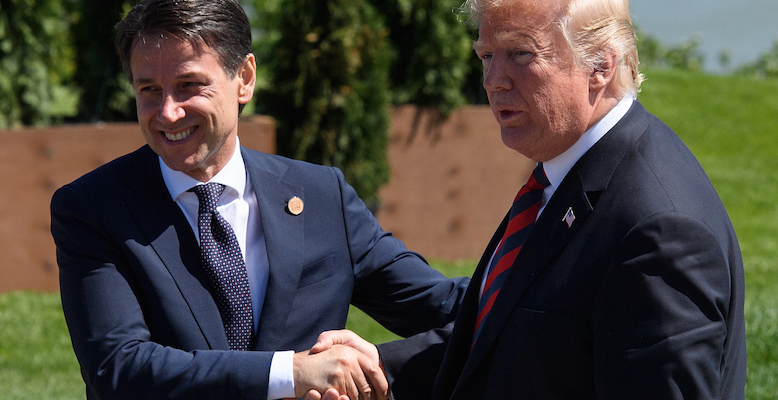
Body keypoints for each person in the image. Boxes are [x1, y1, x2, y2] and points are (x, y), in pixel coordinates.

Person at [313, 0, 747, 399]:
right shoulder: (562, 175)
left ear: (599, 64)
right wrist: (379, 371)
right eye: (486, 55)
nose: (493, 80)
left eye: (521, 53)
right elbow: (515, 337)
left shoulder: (656, 228)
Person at [49, 0, 468, 399]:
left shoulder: (322, 197)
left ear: (244, 78)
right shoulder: (93, 209)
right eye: (149, 90)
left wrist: (374, 368)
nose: (167, 112)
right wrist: (291, 373)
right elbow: (118, 370)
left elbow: (449, 309)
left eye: (188, 85)